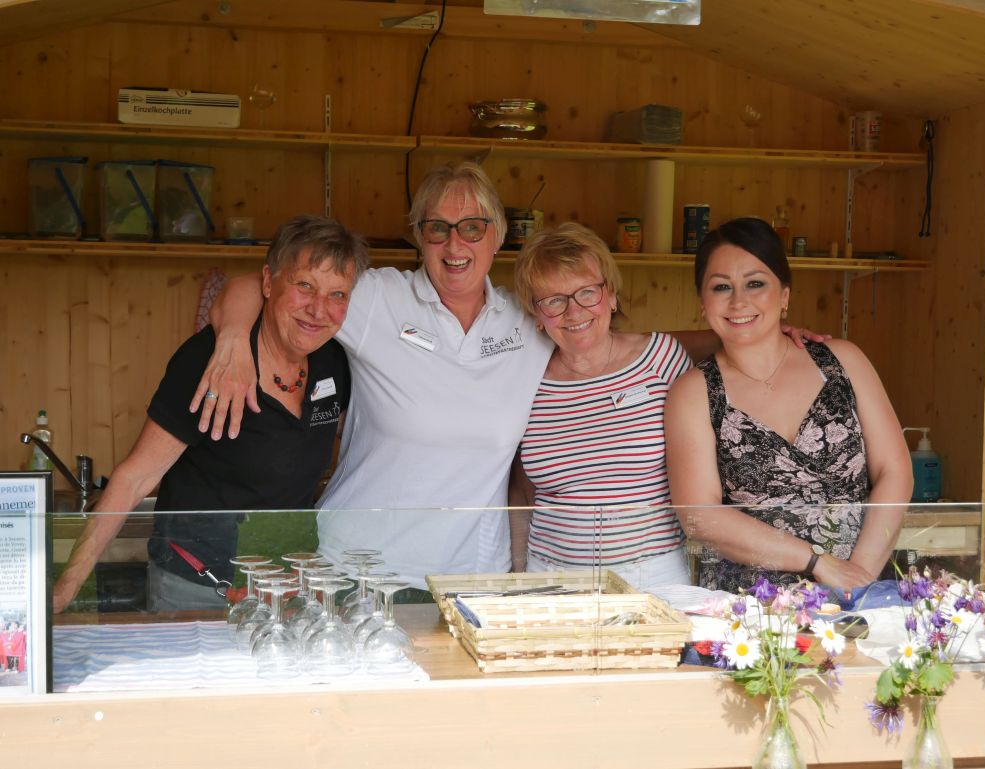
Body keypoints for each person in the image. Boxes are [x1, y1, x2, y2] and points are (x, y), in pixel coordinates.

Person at [196, 163, 822, 591]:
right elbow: (254, 285)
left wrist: (753, 332)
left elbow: (624, 340)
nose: (455, 244)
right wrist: (230, 342)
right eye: (437, 228)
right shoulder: (377, 298)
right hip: (361, 568)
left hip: (474, 576)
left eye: (472, 226)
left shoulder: (525, 318)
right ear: (418, 237)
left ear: (496, 235)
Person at [52, 215, 368, 612]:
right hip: (196, 587)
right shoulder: (213, 361)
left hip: (285, 589)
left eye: (337, 294)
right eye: (304, 285)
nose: (318, 309)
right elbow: (135, 478)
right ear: (268, 283)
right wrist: (66, 587)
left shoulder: (334, 362)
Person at [664, 217, 912, 594]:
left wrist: (858, 576)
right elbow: (700, 517)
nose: (738, 301)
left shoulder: (843, 361)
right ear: (703, 303)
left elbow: (895, 470)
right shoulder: (693, 392)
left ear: (784, 295)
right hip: (751, 606)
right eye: (721, 287)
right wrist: (818, 562)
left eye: (755, 283)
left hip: (861, 586)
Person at [510, 223, 691, 589]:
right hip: (550, 578)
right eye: (553, 300)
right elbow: (519, 487)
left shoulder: (661, 359)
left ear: (611, 296)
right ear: (537, 314)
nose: (573, 311)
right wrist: (518, 573)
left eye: (587, 292)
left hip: (653, 575)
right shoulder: (526, 379)